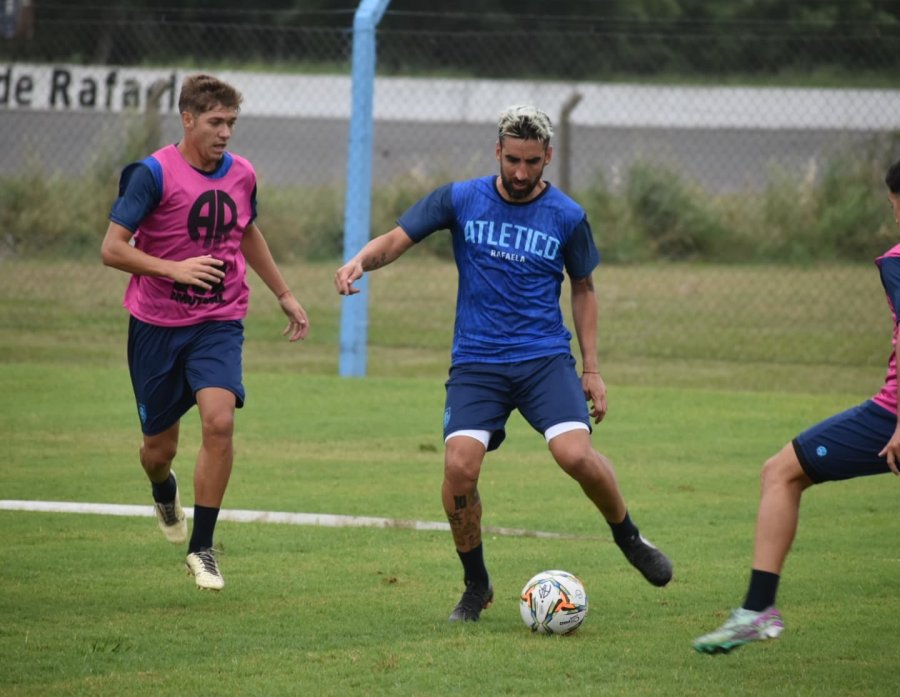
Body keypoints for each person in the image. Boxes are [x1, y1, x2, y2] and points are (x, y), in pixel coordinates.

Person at [334, 105, 673, 622]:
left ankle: (628, 536)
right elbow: (397, 239)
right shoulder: (460, 198)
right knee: (458, 467)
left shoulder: (568, 215)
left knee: (575, 455)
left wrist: (592, 367)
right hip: (477, 362)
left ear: (548, 158)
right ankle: (476, 585)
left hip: (543, 359)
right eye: (512, 159)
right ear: (497, 150)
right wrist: (361, 259)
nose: (520, 172)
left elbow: (584, 289)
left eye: (532, 162)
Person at [100, 74, 309, 591]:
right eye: (215, 122)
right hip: (156, 326)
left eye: (231, 123)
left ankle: (203, 548)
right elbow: (112, 248)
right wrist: (175, 269)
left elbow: (247, 230)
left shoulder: (242, 174)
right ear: (188, 119)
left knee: (219, 422)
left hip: (219, 320)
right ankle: (162, 490)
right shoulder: (151, 174)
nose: (225, 133)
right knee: (157, 451)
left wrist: (283, 292)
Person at [693, 159, 900, 654]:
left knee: (781, 472)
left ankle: (757, 610)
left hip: (891, 415)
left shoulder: (898, 260)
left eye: (895, 206)